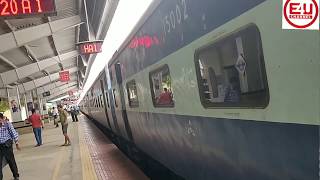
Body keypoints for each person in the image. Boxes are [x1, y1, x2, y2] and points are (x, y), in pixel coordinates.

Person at [0, 113, 20, 180]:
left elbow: (13, 132)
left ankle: (16, 176)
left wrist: (17, 143)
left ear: (2, 119)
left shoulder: (7, 124)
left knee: (11, 161)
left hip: (7, 145)